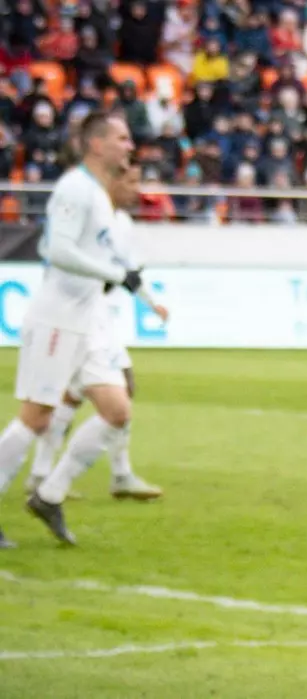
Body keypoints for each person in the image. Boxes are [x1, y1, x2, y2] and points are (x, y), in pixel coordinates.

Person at [0, 111, 139, 549]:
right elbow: (57, 250)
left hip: (87, 320)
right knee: (36, 417)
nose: (130, 146)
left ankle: (49, 495)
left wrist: (122, 275)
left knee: (117, 410)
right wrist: (114, 275)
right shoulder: (74, 188)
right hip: (57, 318)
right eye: (122, 138)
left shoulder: (97, 194)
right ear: (96, 144)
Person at [25, 162, 166, 505]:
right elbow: (61, 255)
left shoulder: (123, 222)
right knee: (82, 396)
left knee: (75, 395)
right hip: (80, 313)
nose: (136, 190)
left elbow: (128, 271)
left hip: (99, 312)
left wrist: (151, 302)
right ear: (112, 181)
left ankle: (49, 476)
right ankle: (60, 479)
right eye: (131, 181)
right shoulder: (91, 211)